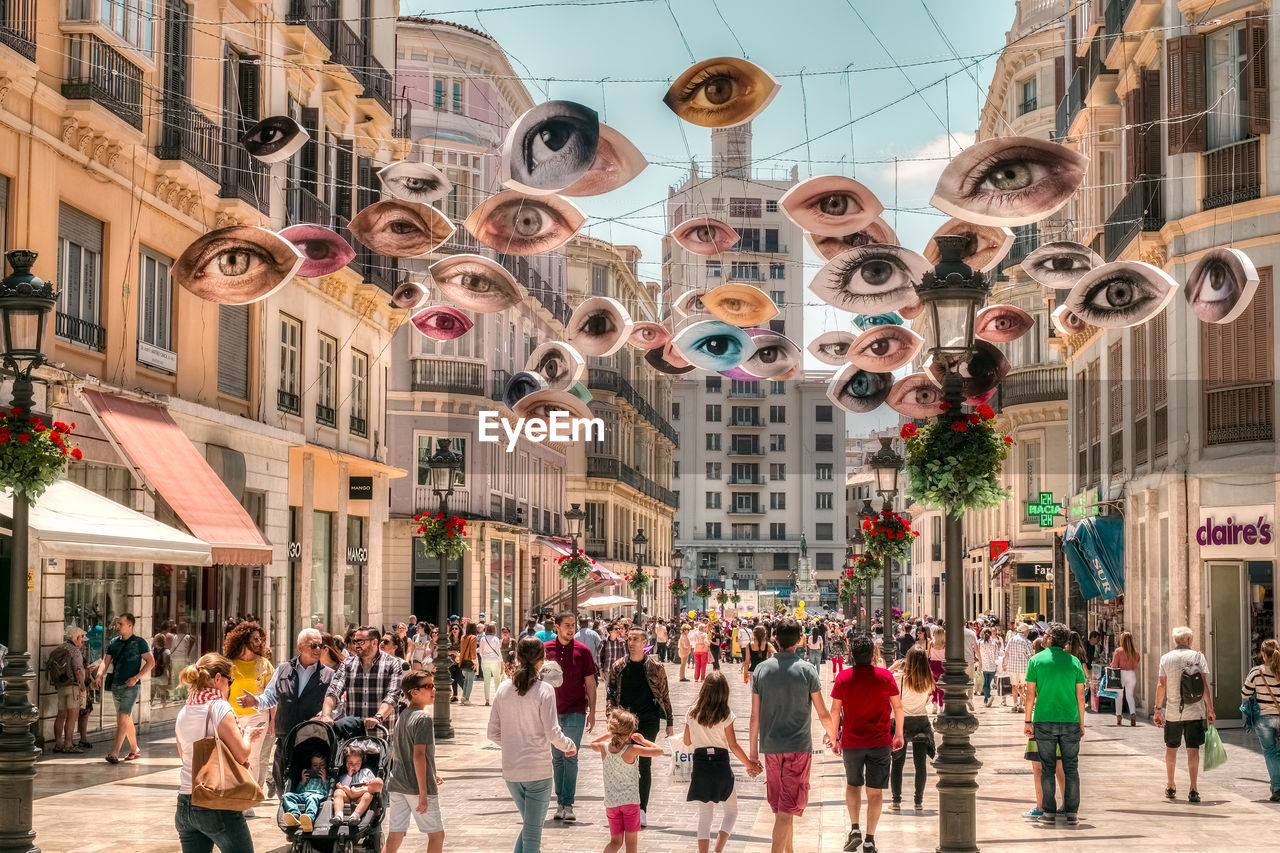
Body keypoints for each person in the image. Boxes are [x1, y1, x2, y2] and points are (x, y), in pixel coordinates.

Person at [748, 617, 840, 853]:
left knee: (782, 809)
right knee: (786, 812)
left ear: (774, 639)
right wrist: (834, 737)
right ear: (800, 640)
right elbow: (822, 712)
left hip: (770, 747)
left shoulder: (761, 669)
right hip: (798, 747)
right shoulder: (807, 670)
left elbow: (754, 716)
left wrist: (752, 754)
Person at [489, 637, 577, 853]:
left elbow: (492, 733)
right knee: (532, 834)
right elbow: (552, 732)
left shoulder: (503, 689)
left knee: (530, 827)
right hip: (537, 770)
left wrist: (513, 743)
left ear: (517, 657)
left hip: (512, 771)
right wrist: (569, 745)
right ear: (542, 660)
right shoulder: (544, 689)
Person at [174, 653, 257, 852]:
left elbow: (183, 754)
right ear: (218, 679)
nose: (230, 687)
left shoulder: (183, 711)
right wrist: (248, 736)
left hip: (185, 802)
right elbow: (242, 754)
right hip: (215, 803)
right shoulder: (219, 708)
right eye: (230, 681)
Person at [829, 634, 905, 853]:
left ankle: (854, 828)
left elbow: (835, 711)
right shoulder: (885, 677)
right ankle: (870, 839)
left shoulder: (843, 678)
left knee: (853, 785)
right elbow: (898, 708)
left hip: (852, 741)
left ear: (851, 655)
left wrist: (834, 737)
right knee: (875, 792)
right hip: (880, 741)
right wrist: (898, 734)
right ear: (873, 654)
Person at [238, 628, 334, 797]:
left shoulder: (329, 675)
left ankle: (304, 819)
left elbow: (335, 704)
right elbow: (270, 696)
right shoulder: (283, 669)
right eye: (313, 645)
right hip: (286, 738)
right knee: (282, 782)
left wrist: (321, 716)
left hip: (312, 740)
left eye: (321, 646)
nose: (318, 649)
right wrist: (256, 702)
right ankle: (289, 816)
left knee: (307, 787)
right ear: (300, 647)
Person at [684, 671, 760, 853]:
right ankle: (718, 850)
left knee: (704, 816)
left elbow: (687, 741)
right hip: (721, 766)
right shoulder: (726, 714)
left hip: (700, 765)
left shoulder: (692, 712)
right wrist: (750, 765)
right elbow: (733, 745)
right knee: (731, 811)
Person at [605, 626, 674, 826]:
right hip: (624, 722)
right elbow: (610, 693)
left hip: (648, 720)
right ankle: (624, 805)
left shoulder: (655, 667)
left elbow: (664, 693)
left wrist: (669, 722)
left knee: (644, 764)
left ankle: (641, 809)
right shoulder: (618, 666)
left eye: (636, 639)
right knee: (620, 763)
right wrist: (611, 718)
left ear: (644, 643)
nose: (631, 642)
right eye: (629, 639)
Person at [1023, 622, 1086, 824]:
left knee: (1048, 767)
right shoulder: (1074, 662)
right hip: (1070, 720)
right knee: (1071, 768)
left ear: (1049, 639)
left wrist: (1027, 721)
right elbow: (1081, 697)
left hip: (1044, 719)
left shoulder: (1036, 661)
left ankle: (1048, 812)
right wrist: (1082, 724)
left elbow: (1030, 694)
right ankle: (1072, 813)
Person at [545, 610, 599, 823]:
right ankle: (559, 803)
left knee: (570, 754)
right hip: (550, 711)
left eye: (572, 625)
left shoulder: (583, 651)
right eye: (566, 625)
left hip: (576, 710)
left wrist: (593, 712)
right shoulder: (546, 649)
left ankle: (568, 803)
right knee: (557, 757)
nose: (570, 629)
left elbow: (591, 683)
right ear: (556, 626)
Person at [384, 670, 444, 853]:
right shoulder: (423, 718)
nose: (433, 689)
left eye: (432, 685)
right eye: (428, 686)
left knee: (395, 834)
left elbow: (398, 752)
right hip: (416, 786)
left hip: (397, 783)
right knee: (436, 835)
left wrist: (433, 773)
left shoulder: (403, 715)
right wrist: (423, 793)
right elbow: (418, 755)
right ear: (414, 692)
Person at [589, 710, 665, 853]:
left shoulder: (604, 748)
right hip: (630, 802)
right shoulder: (632, 749)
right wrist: (643, 741)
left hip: (612, 803)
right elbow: (659, 751)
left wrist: (609, 735)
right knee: (631, 845)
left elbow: (593, 743)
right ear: (630, 731)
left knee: (615, 842)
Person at [1155, 625, 1214, 803]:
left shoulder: (1166, 658)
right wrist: (1210, 708)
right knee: (1193, 750)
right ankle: (1193, 788)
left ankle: (1171, 784)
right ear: (1189, 640)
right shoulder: (1198, 656)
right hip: (1195, 711)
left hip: (1173, 712)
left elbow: (1161, 685)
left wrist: (1158, 709)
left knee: (1171, 748)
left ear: (1176, 641)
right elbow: (1203, 684)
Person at [319, 625, 404, 738]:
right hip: (353, 738)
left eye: (360, 642)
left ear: (374, 642)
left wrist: (378, 717)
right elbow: (333, 690)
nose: (356, 646)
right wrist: (325, 715)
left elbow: (392, 696)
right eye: (354, 641)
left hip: (381, 737)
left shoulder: (392, 664)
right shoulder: (347, 664)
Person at [223, 621, 275, 806]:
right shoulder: (228, 664)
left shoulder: (264, 665)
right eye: (255, 639)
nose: (259, 642)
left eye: (260, 639)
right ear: (244, 640)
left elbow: (272, 694)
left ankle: (250, 800)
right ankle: (236, 794)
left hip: (257, 716)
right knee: (235, 756)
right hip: (232, 718)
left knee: (253, 757)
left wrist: (273, 721)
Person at [95, 613, 154, 764]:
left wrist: (136, 678)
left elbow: (150, 662)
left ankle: (115, 752)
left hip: (131, 687)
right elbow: (105, 661)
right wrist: (99, 674)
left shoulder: (139, 643)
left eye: (121, 624)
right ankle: (135, 749)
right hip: (116, 685)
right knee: (126, 719)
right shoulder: (113, 642)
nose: (117, 626)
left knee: (122, 717)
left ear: (130, 625)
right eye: (117, 624)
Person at [887, 648, 935, 812]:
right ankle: (918, 801)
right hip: (921, 721)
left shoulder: (899, 678)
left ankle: (896, 800)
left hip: (901, 722)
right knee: (920, 764)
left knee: (897, 763)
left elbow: (881, 681)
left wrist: (892, 668)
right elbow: (928, 699)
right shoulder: (928, 680)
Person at [1241, 638, 1280, 801]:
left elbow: (1245, 694)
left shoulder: (1257, 672)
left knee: (1271, 752)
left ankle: (1277, 788)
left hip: (1264, 718)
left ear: (1263, 655)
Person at [51, 625, 88, 753]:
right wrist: (83, 686)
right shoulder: (74, 651)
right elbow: (78, 671)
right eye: (81, 638)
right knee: (72, 716)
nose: (82, 640)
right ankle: (68, 745)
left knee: (60, 715)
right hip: (73, 686)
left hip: (61, 686)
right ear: (76, 638)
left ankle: (58, 743)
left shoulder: (60, 648)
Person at [332, 744, 382, 826]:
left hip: (361, 797)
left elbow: (374, 785)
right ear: (345, 763)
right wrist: (349, 775)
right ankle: (338, 815)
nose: (354, 766)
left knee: (368, 795)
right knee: (338, 792)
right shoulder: (344, 776)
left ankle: (355, 816)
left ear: (361, 762)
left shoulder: (366, 772)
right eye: (350, 763)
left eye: (357, 763)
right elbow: (343, 786)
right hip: (348, 796)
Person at [281, 754, 328, 831]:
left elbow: (327, 792)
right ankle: (295, 814)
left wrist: (324, 780)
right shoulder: (308, 777)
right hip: (303, 795)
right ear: (311, 766)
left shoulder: (327, 777)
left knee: (312, 798)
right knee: (287, 795)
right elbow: (299, 792)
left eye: (322, 765)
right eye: (315, 765)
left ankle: (309, 817)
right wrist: (303, 781)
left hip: (317, 795)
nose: (318, 767)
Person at [1111, 631, 1140, 726]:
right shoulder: (1135, 652)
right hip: (1131, 674)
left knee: (1119, 696)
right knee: (1130, 696)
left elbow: (1114, 665)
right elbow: (1136, 666)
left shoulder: (1118, 651)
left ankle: (1119, 716)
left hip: (1121, 674)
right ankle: (1133, 714)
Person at [1004, 623, 1034, 714]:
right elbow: (1030, 656)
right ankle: (1021, 705)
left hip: (1012, 667)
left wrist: (1005, 664)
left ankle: (1014, 705)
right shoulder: (1027, 642)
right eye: (1028, 630)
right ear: (1024, 631)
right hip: (1024, 668)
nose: (1029, 632)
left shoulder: (1011, 639)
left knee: (1014, 686)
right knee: (1023, 686)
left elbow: (1006, 653)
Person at [476, 623, 503, 705]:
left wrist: (484, 657)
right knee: (497, 680)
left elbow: (480, 651)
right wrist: (502, 662)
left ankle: (487, 700)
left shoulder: (483, 639)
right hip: (495, 661)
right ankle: (497, 699)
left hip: (485, 661)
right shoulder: (496, 639)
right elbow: (498, 651)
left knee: (486, 681)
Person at [978, 628, 1001, 707]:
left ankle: (989, 696)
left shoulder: (980, 643)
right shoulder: (994, 644)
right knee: (988, 684)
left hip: (983, 666)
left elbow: (977, 655)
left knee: (984, 685)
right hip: (992, 667)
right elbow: (996, 657)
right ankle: (986, 700)